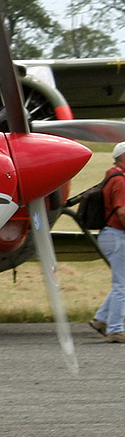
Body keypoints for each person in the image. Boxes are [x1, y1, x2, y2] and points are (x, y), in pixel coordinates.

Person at [90, 140, 125, 343]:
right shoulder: (120, 181)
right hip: (118, 235)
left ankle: (101, 320)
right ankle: (116, 330)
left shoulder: (111, 175)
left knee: (122, 284)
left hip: (110, 235)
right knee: (121, 286)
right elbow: (122, 212)